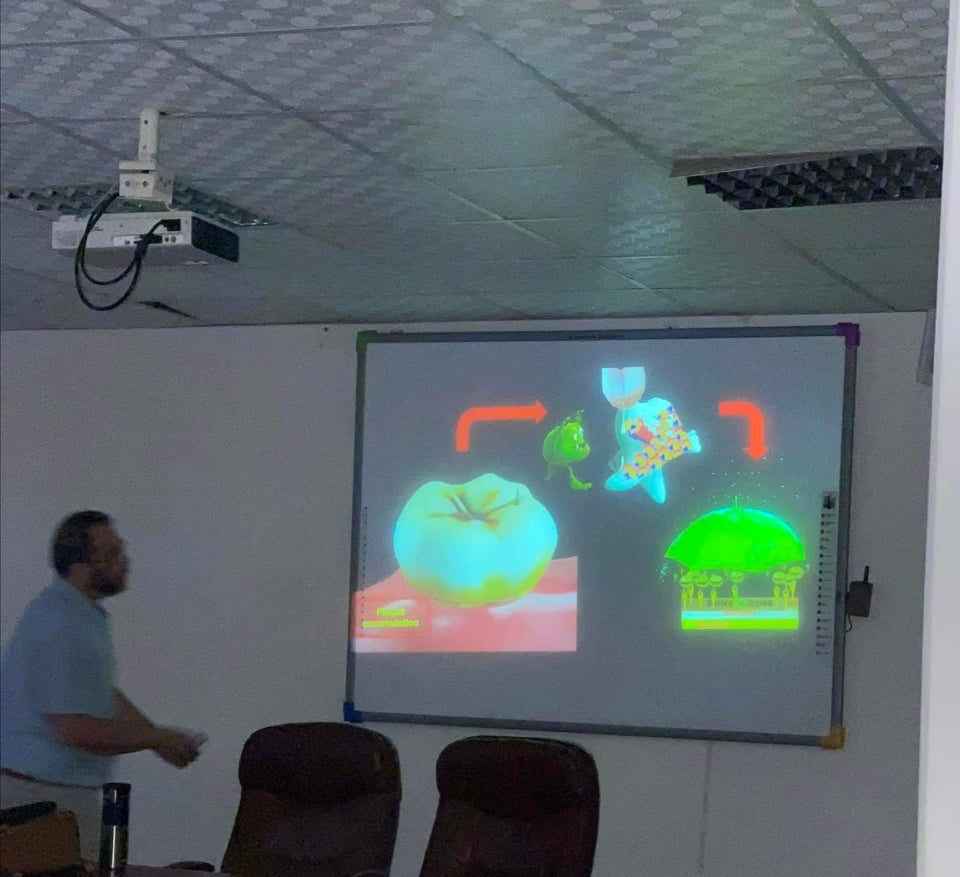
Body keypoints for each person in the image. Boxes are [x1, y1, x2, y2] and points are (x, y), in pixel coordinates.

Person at [0, 511, 205, 860]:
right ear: (81, 566)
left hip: (52, 797)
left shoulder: (79, 614)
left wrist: (157, 738)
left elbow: (101, 694)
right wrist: (156, 738)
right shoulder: (62, 622)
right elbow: (75, 729)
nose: (125, 561)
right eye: (111, 553)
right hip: (37, 804)